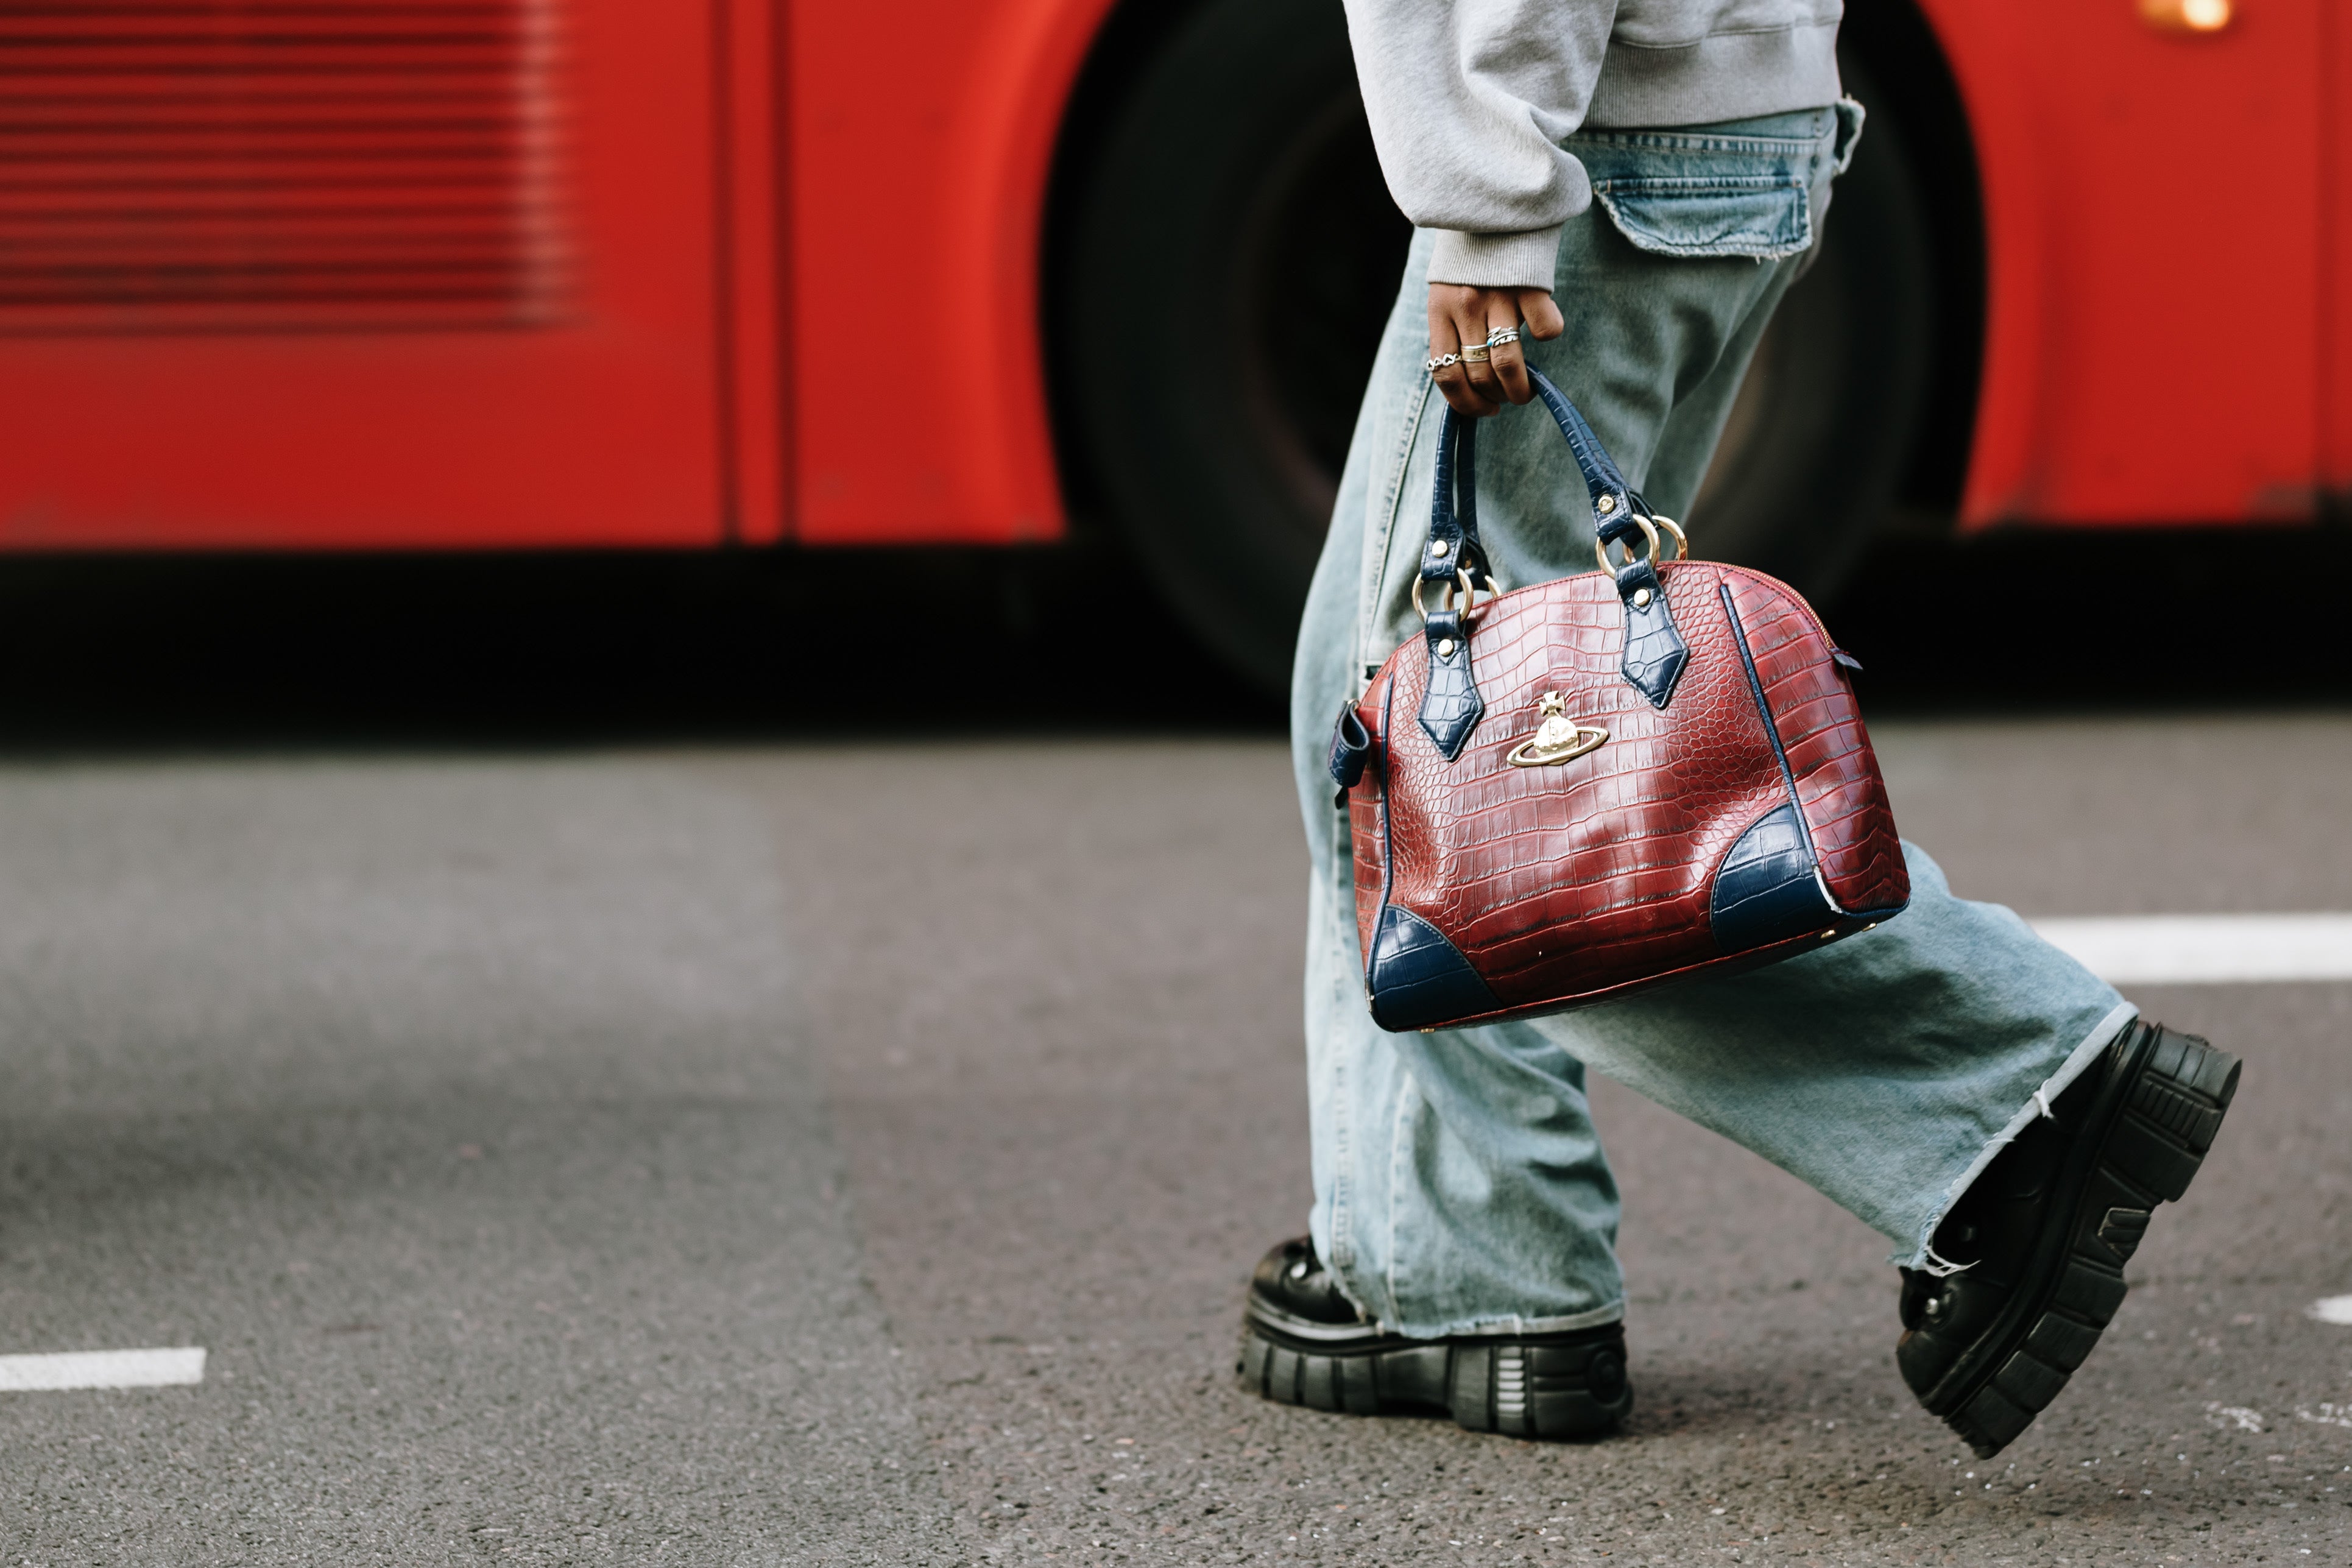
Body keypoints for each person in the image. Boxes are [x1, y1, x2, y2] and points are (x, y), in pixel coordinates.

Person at [1238, 0, 2241, 1456]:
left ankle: (2022, 1092)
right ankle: (1467, 1261)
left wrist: (1488, 192)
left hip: (1594, 134)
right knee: (1438, 746)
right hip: (1717, 110)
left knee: (1438, 788)